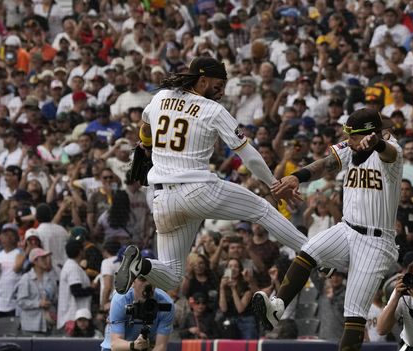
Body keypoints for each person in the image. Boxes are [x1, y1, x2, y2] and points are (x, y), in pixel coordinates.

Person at [114, 57, 307, 294]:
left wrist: (146, 146)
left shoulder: (161, 98)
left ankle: (139, 265)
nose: (223, 91)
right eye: (218, 84)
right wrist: (273, 184)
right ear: (202, 80)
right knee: (262, 209)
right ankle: (312, 252)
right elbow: (250, 156)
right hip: (198, 190)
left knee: (172, 276)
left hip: (163, 199)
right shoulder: (213, 110)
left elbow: (145, 128)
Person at [252, 108, 402, 351]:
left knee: (354, 311)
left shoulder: (391, 148)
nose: (348, 139)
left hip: (376, 241)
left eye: (353, 134)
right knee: (308, 249)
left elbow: (388, 154)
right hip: (348, 229)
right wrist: (297, 176)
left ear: (370, 132)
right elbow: (325, 163)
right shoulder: (352, 147)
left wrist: (376, 143)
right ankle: (278, 306)